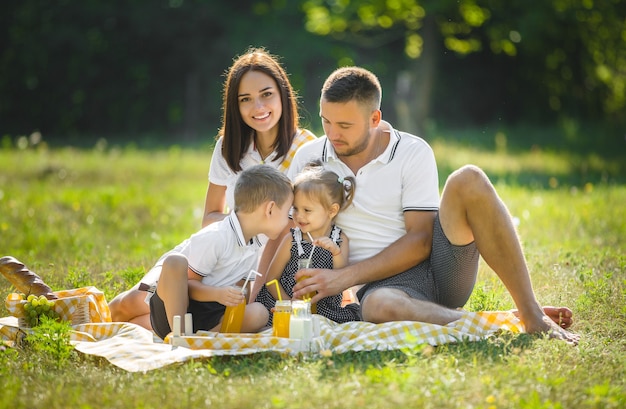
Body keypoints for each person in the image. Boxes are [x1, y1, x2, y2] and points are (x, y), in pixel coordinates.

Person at [289, 66, 579, 344]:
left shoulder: (412, 151)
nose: (332, 133)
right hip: (379, 289)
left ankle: (531, 312)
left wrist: (342, 278)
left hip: (439, 271)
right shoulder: (309, 158)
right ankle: (493, 321)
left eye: (344, 125)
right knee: (379, 305)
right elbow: (288, 229)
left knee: (469, 178)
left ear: (374, 119)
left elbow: (421, 240)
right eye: (326, 121)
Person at [109, 47, 316, 329]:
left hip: (265, 265)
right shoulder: (229, 146)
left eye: (266, 94)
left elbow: (302, 224)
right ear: (235, 105)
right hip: (219, 248)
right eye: (246, 99)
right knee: (132, 302)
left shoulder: (306, 149)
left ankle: (176, 331)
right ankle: (73, 319)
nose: (258, 108)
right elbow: (210, 216)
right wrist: (240, 229)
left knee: (152, 317)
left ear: (283, 94)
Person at [147, 164, 293, 340]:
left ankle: (203, 339)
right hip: (177, 308)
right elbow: (188, 285)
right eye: (287, 212)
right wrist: (218, 294)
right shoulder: (217, 236)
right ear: (269, 209)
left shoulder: (254, 243)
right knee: (175, 261)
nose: (288, 220)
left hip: (212, 314)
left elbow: (242, 290)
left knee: (259, 313)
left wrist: (238, 301)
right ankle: (181, 335)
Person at [255, 163, 361, 324]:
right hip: (285, 303)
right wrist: (289, 304)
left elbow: (341, 277)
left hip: (323, 308)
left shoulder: (339, 239)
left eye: (307, 210)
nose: (299, 216)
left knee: (345, 320)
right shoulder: (292, 239)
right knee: (269, 320)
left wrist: (336, 253)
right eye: (295, 209)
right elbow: (271, 280)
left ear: (332, 211)